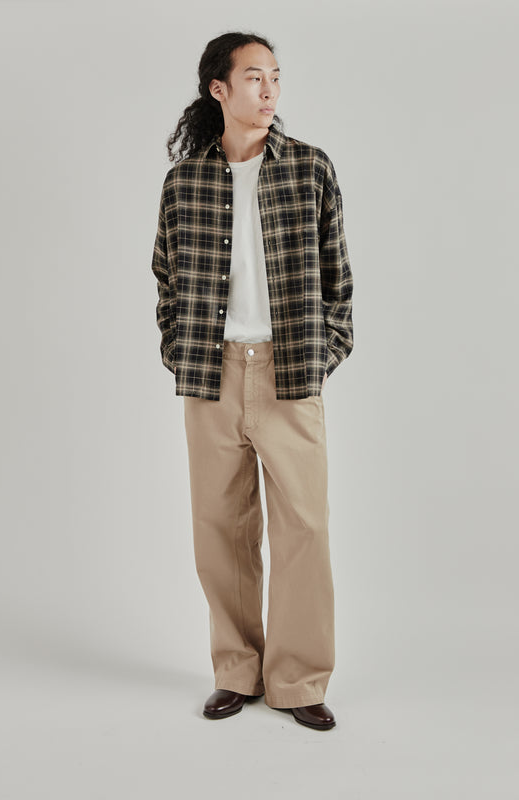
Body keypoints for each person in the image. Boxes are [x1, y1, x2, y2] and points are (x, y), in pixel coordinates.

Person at [150, 31, 354, 731]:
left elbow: (338, 278)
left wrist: (323, 353)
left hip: (288, 369)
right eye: (254, 77)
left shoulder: (309, 168)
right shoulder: (185, 182)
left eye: (275, 77)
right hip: (210, 374)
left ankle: (298, 680)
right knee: (221, 530)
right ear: (219, 89)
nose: (269, 91)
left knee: (304, 528)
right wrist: (179, 349)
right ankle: (236, 672)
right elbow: (166, 276)